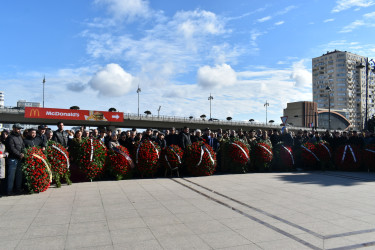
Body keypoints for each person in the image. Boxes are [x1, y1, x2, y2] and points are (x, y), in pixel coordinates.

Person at [5, 124, 25, 195]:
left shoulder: (20, 137)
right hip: (13, 159)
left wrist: (23, 153)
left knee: (19, 176)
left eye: (20, 129)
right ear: (14, 129)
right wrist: (19, 154)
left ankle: (18, 189)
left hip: (20, 159)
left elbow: (23, 146)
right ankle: (9, 191)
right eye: (18, 129)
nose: (19, 130)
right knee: (11, 176)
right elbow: (11, 148)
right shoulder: (10, 137)